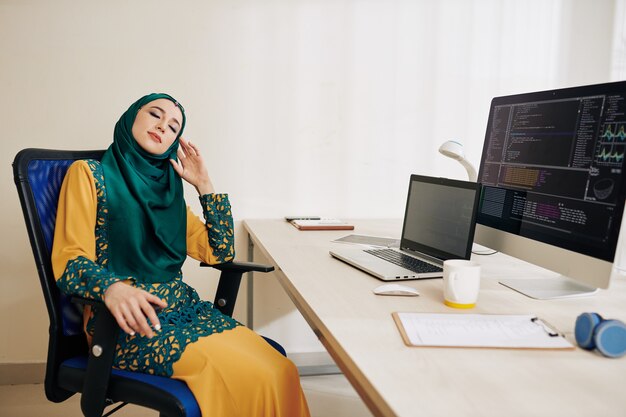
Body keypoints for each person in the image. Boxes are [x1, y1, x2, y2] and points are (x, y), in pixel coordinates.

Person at [51, 93, 311, 417]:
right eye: (154, 114)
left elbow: (220, 252)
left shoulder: (169, 194)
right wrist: (113, 288)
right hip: (126, 323)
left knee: (280, 368)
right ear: (132, 116)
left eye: (173, 127)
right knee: (241, 374)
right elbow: (70, 261)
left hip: (186, 312)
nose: (162, 126)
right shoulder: (89, 175)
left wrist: (204, 184)